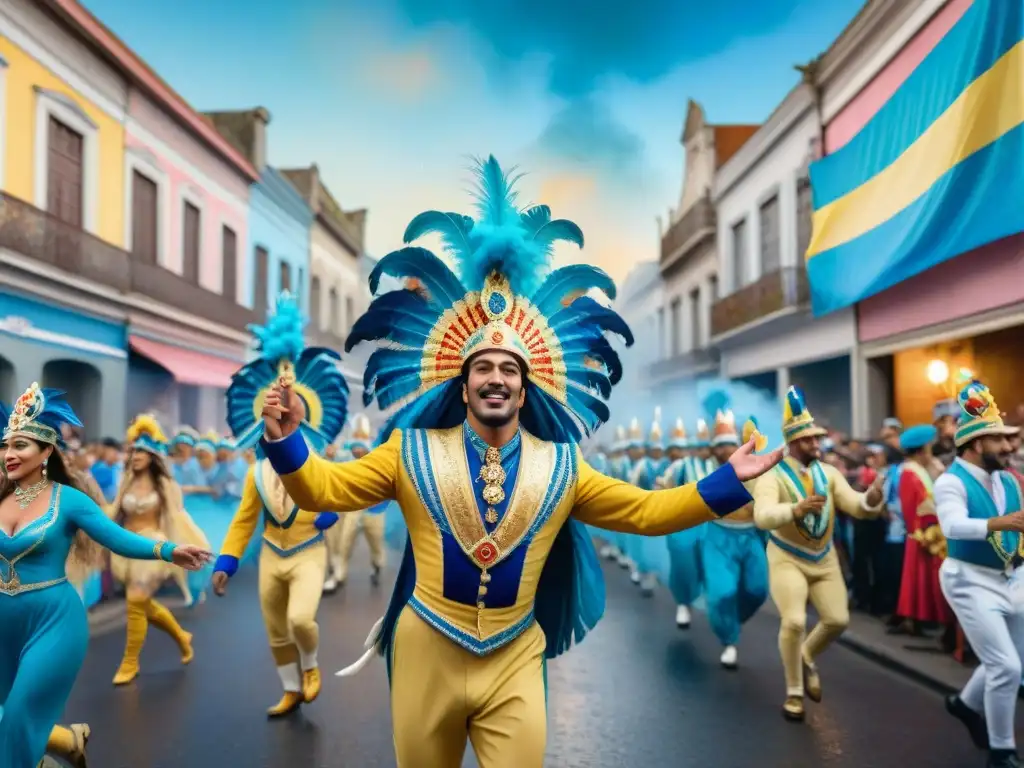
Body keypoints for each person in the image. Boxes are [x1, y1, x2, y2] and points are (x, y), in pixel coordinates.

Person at [257, 156, 782, 767]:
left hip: (514, 657)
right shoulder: (410, 450)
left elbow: (645, 511)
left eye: (510, 370)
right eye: (483, 368)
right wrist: (289, 442)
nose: (497, 379)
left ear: (526, 388)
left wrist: (726, 482)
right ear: (463, 383)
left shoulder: (563, 466)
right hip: (427, 651)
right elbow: (323, 489)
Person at [0, 383, 209, 767]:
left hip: (52, 621)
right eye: (5, 445)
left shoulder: (68, 500)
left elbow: (117, 538)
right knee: (5, 720)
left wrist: (167, 550)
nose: (9, 454)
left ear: (46, 451)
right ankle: (61, 746)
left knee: (17, 716)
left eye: (20, 445)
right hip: (2, 623)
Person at [211, 291, 349, 718]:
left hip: (308, 552)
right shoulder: (255, 473)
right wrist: (226, 561)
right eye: (276, 407)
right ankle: (290, 689)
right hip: (272, 553)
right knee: (275, 631)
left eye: (293, 409)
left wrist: (330, 509)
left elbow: (339, 493)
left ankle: (310, 666)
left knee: (301, 621)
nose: (284, 413)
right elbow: (243, 519)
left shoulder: (320, 462)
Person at [754, 385, 885, 723]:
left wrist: (871, 499)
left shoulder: (829, 474)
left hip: (823, 559)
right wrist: (794, 510)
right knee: (794, 620)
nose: (817, 445)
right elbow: (763, 516)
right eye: (809, 440)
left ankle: (806, 655)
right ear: (793, 443)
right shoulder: (772, 475)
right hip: (786, 556)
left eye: (817, 439)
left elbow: (855, 505)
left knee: (838, 620)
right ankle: (794, 692)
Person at [937, 380, 1024, 768]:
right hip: (969, 579)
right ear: (975, 444)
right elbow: (952, 527)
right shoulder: (950, 481)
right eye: (999, 440)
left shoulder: (1008, 479)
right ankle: (1001, 750)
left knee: (1015, 659)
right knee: (1005, 667)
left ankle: (964, 704)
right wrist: (999, 522)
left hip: (1012, 576)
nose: (1009, 446)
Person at [108, 414, 212, 685]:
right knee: (141, 602)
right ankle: (180, 636)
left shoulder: (165, 485)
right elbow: (112, 514)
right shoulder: (125, 483)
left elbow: (178, 517)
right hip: (127, 546)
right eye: (134, 451)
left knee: (135, 600)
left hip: (153, 546)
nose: (136, 456)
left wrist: (184, 547)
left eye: (142, 452)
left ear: (154, 456)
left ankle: (130, 662)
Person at [699, 411, 770, 669]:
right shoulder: (702, 470)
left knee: (757, 590)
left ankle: (732, 620)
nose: (725, 449)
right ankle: (729, 639)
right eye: (720, 444)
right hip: (718, 536)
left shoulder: (756, 468)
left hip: (751, 536)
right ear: (712, 448)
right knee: (721, 593)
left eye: (730, 443)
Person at [891, 424, 951, 636]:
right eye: (928, 448)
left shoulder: (917, 471)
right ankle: (915, 621)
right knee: (920, 583)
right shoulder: (910, 474)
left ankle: (916, 621)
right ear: (921, 451)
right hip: (923, 535)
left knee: (920, 582)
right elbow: (919, 507)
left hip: (926, 534)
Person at [323, 414, 386, 593]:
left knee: (376, 544)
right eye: (355, 442)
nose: (358, 449)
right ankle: (338, 575)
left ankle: (377, 565)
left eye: (362, 440)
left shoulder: (378, 459)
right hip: (350, 507)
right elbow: (328, 465)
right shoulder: (344, 454)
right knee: (342, 540)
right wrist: (328, 455)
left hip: (374, 510)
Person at [658, 418, 705, 629]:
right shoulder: (679, 467)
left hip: (710, 527)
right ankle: (683, 603)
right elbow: (662, 492)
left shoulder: (718, 465)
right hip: (681, 525)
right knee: (682, 566)